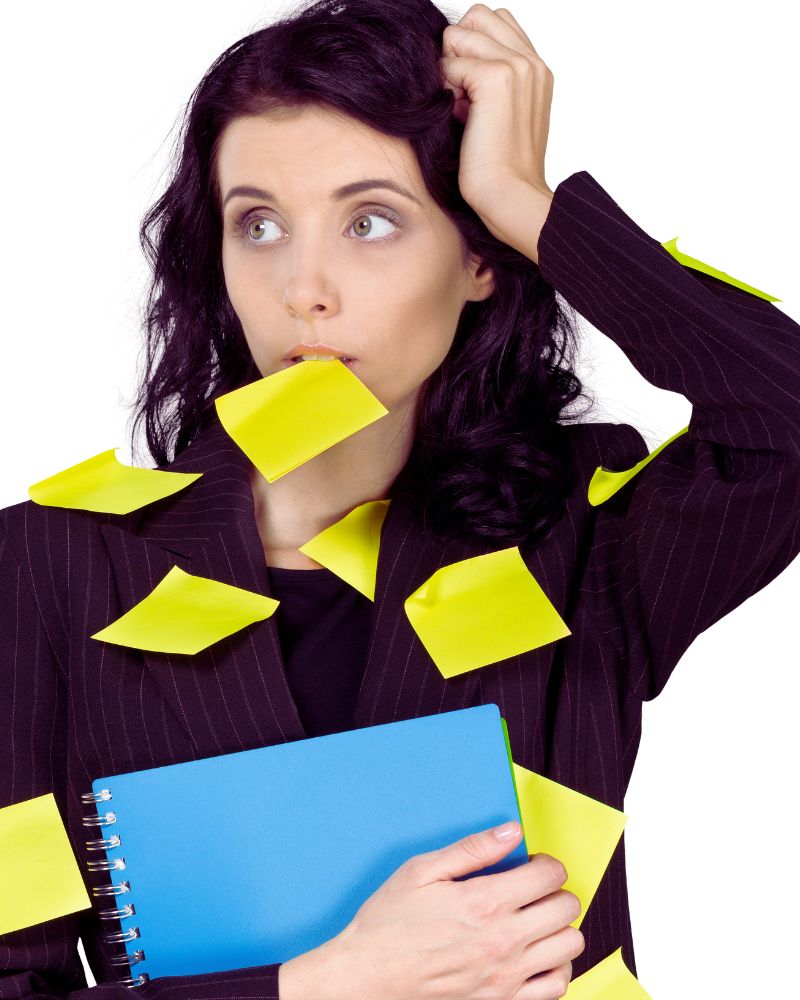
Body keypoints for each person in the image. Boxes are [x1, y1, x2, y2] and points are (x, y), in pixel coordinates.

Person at [1, 1, 798, 998]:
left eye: (370, 220)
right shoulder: (43, 566)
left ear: (475, 259)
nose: (304, 287)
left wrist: (524, 200)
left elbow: (786, 420)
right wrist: (310, 987)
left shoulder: (582, 545)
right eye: (259, 225)